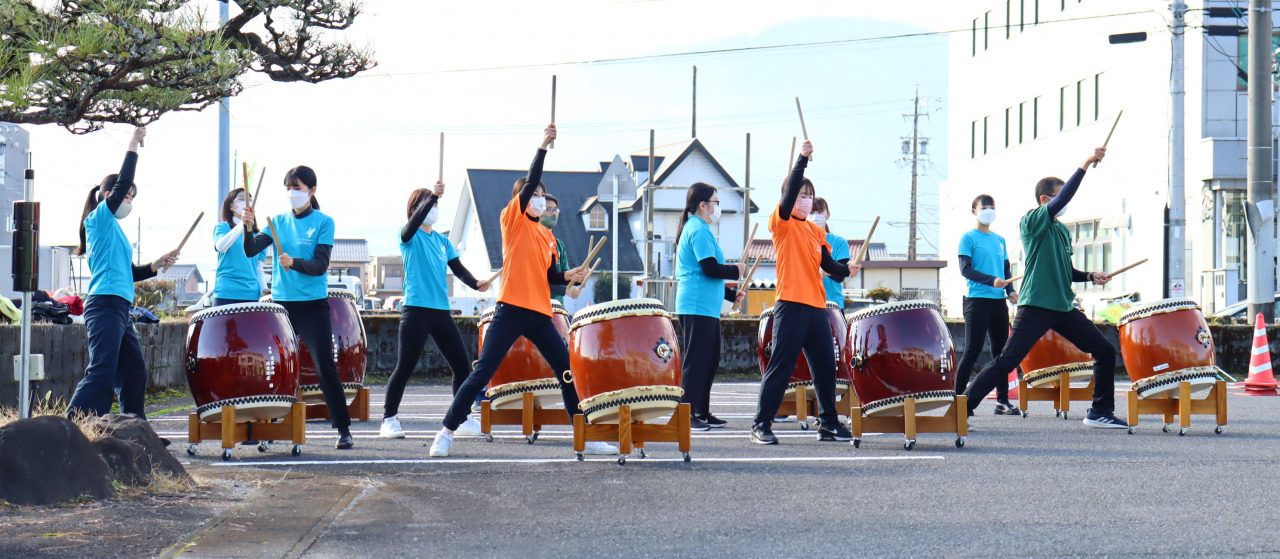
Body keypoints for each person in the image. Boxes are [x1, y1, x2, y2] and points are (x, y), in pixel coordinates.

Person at [429, 124, 615, 457]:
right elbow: (530, 180)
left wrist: (568, 275)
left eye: (543, 194)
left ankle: (585, 434)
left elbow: (549, 276)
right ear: (523, 199)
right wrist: (543, 146)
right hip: (511, 309)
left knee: (568, 371)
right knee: (482, 372)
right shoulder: (511, 220)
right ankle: (446, 432)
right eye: (535, 194)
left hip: (540, 313)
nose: (540, 198)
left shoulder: (546, 236)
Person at [962, 147, 1127, 429]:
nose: (1063, 203)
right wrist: (1086, 162)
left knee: (1104, 351)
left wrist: (1091, 275)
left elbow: (1066, 271)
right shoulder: (1031, 221)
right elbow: (1065, 197)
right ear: (1044, 199)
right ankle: (962, 408)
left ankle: (1099, 412)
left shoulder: (1061, 230)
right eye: (1057, 197)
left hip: (1062, 307)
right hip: (1036, 305)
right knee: (1006, 361)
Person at [752, 141, 860, 445]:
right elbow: (788, 196)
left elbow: (828, 265)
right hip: (790, 304)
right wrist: (802, 160)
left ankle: (828, 424)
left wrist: (846, 269)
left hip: (817, 307)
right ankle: (761, 424)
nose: (807, 200)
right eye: (802, 195)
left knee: (826, 368)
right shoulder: (782, 222)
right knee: (781, 367)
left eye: (810, 195)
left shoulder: (816, 232)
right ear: (789, 197)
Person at [67, 127, 180, 418]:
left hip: (119, 306)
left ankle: (133, 430)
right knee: (102, 371)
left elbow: (129, 273)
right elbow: (124, 181)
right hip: (104, 304)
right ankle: (73, 426)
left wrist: (156, 264)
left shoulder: (114, 230)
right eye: (127, 196)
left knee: (133, 372)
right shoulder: (99, 219)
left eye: (131, 197)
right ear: (109, 196)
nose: (129, 200)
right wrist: (133, 143)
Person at [241, 166, 356, 449]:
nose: (292, 193)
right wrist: (247, 227)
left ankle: (343, 428)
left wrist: (294, 263)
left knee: (324, 365)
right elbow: (250, 249)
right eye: (288, 188)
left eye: (298, 188)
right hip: (281, 307)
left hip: (313, 306)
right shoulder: (277, 221)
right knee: (277, 367)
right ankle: (269, 428)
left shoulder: (324, 222)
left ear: (311, 191)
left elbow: (320, 266)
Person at [380, 181, 493, 438]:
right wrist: (432, 196)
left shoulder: (443, 241)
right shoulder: (407, 236)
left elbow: (459, 270)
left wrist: (476, 283)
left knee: (462, 367)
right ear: (414, 210)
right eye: (427, 205)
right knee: (405, 367)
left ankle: (462, 419)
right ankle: (389, 420)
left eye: (436, 205)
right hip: (415, 310)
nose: (433, 209)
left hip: (441, 311)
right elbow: (412, 224)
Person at [674, 182, 746, 431]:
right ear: (703, 205)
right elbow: (709, 268)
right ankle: (687, 412)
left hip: (705, 306)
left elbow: (707, 274)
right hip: (696, 305)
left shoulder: (700, 228)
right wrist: (736, 270)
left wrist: (731, 294)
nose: (718, 207)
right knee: (697, 361)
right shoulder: (698, 229)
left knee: (709, 360)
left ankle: (701, 411)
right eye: (715, 202)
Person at [956, 194, 1019, 414]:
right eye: (984, 207)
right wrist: (991, 280)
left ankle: (1002, 401)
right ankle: (958, 401)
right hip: (976, 301)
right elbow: (965, 269)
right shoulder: (968, 238)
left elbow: (1006, 270)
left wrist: (1010, 291)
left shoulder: (1000, 239)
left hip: (998, 302)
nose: (989, 210)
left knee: (1002, 353)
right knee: (972, 351)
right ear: (974, 211)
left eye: (992, 206)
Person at [211, 188, 267, 306]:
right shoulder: (222, 228)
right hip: (226, 293)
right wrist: (243, 224)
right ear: (231, 206)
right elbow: (221, 247)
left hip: (252, 295)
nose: (247, 202)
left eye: (250, 200)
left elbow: (259, 268)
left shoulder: (258, 235)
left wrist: (264, 290)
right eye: (242, 199)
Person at [542, 194, 583, 303]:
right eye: (548, 209)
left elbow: (561, 277)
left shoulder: (559, 245)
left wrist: (577, 278)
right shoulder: (533, 242)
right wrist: (565, 290)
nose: (553, 213)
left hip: (557, 305)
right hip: (536, 304)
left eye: (555, 210)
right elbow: (536, 280)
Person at [809, 198, 849, 308]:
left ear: (828, 214)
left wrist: (827, 271)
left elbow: (840, 276)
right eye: (811, 212)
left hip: (833, 304)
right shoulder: (800, 241)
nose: (815, 216)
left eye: (820, 211)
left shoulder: (839, 242)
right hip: (807, 303)